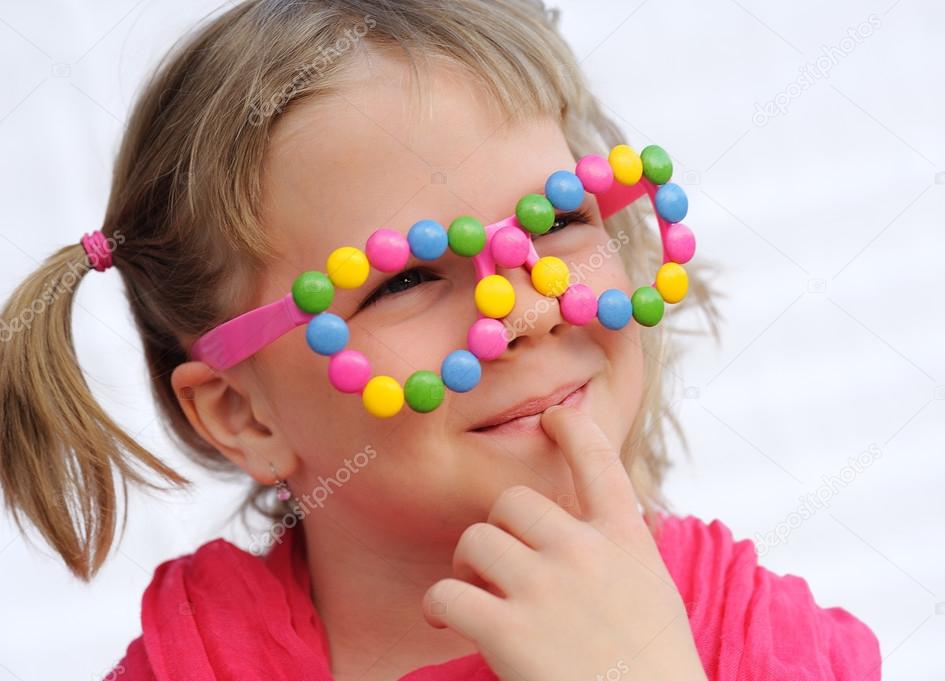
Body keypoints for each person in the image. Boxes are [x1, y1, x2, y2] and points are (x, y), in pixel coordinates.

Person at [0, 1, 881, 679]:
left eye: (560, 218)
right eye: (409, 279)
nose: (530, 312)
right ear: (243, 410)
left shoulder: (757, 639)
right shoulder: (196, 659)